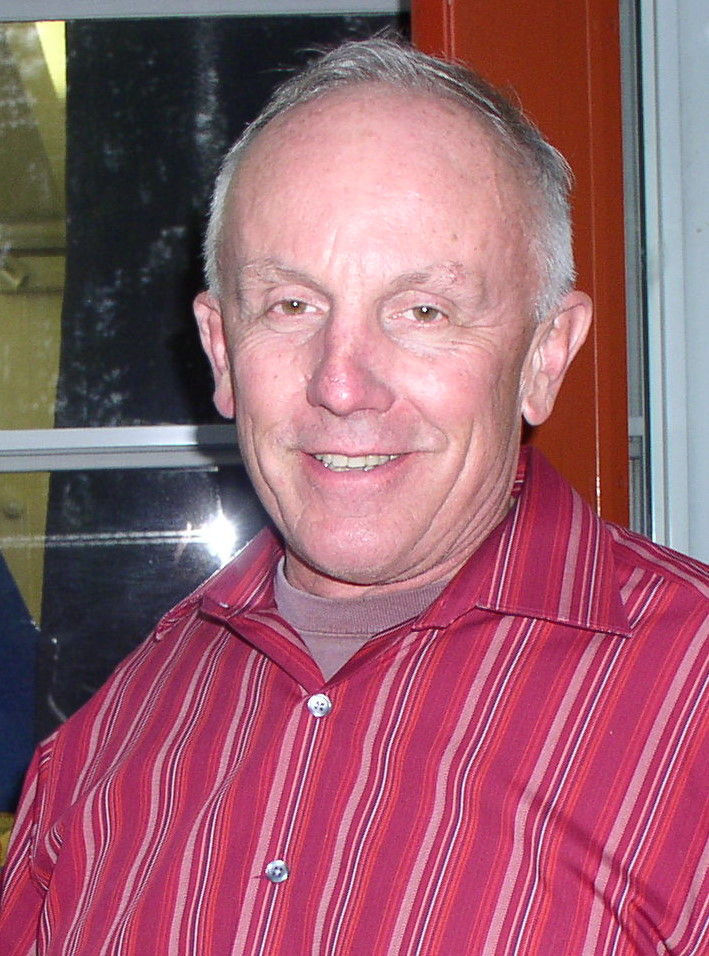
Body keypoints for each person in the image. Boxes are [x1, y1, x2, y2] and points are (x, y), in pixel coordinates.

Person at [1, 36, 708, 956]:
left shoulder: (691, 697)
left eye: (423, 311)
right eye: (291, 306)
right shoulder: (109, 739)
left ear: (544, 355)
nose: (341, 384)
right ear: (221, 351)